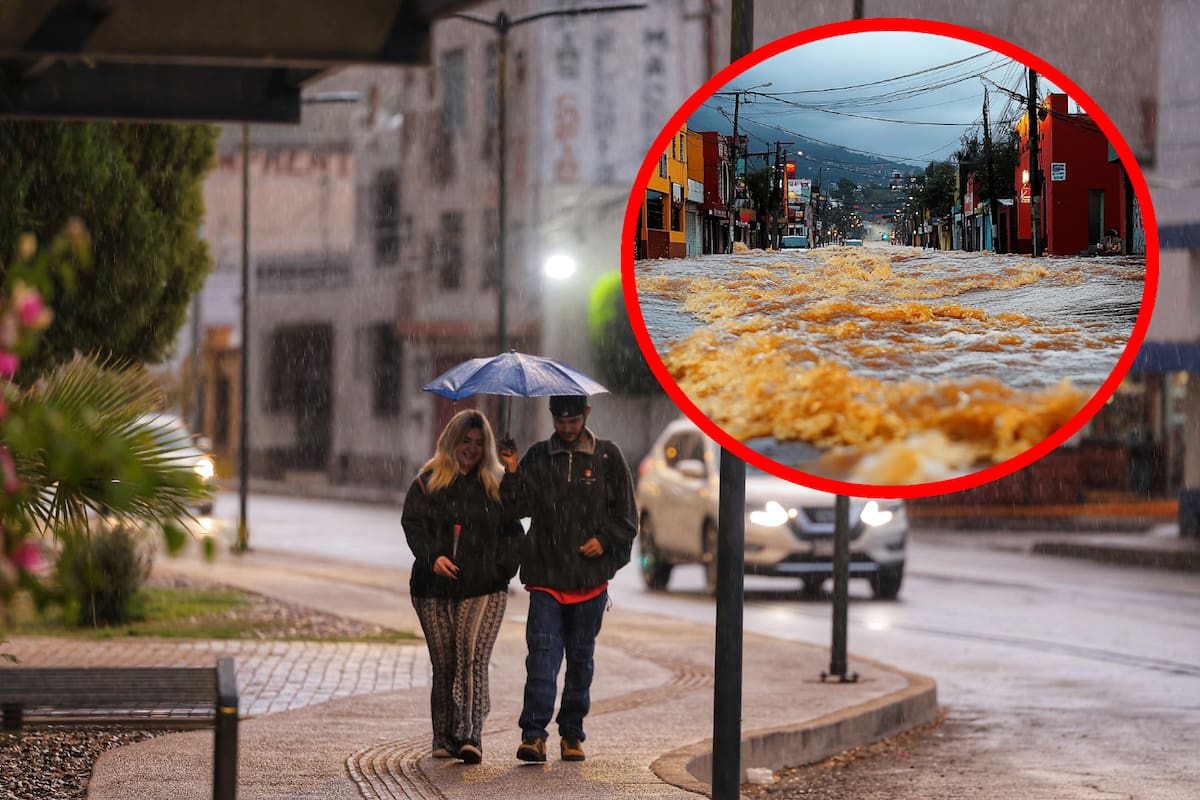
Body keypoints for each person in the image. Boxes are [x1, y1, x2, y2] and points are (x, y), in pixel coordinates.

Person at [498, 394, 638, 763]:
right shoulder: (538, 457)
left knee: (580, 661)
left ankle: (572, 734)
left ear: (586, 414)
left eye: (573, 420)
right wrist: (511, 471)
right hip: (546, 578)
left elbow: (627, 519)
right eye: (560, 421)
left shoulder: (608, 457)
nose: (567, 428)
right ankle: (533, 735)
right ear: (551, 417)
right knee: (541, 661)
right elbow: (515, 509)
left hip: (590, 583)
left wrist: (603, 541)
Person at [402, 409, 523, 764]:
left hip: (484, 587)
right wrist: (432, 557)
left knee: (471, 657)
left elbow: (517, 523)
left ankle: (470, 735)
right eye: (465, 441)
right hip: (433, 588)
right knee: (445, 664)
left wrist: (513, 471)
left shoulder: (498, 483)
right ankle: (443, 736)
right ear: (451, 442)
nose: (471, 448)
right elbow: (412, 524)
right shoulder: (427, 482)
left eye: (478, 442)